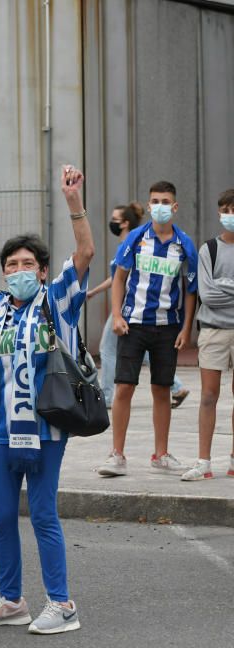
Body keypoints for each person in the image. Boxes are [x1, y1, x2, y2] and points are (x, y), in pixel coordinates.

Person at [0, 166, 93, 635]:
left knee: (43, 513)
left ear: (43, 270)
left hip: (48, 428)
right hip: (0, 430)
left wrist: (74, 203)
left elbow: (87, 253)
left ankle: (62, 603)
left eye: (26, 264)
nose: (18, 272)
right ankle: (10, 598)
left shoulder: (56, 300)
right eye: (11, 265)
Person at [97, 181, 197, 477]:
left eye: (166, 201)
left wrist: (186, 328)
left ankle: (161, 454)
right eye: (155, 201)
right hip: (134, 324)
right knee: (124, 387)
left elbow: (190, 289)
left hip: (167, 327)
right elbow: (118, 277)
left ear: (175, 207)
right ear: (149, 205)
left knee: (162, 389)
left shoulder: (184, 244)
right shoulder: (136, 239)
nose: (160, 206)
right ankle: (117, 455)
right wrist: (116, 315)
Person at [86, 203, 188, 407]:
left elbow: (119, 279)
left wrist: (98, 296)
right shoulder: (132, 241)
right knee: (145, 350)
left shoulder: (135, 241)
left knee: (107, 349)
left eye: (115, 219)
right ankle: (177, 386)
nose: (112, 222)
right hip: (130, 308)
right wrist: (95, 292)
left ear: (124, 223)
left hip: (128, 307)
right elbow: (118, 277)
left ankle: (106, 397)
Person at [183, 188, 234, 481]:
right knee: (209, 395)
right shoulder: (208, 250)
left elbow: (217, 290)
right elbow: (208, 295)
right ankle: (204, 461)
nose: (230, 215)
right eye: (225, 209)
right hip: (213, 331)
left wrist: (222, 284)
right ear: (219, 212)